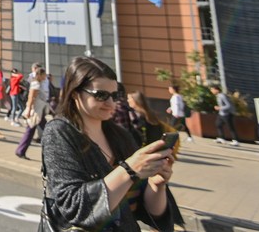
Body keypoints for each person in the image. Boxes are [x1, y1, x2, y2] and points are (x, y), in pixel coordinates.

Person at [40, 56, 177, 231]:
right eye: (101, 95)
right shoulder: (59, 132)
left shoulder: (121, 135)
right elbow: (74, 206)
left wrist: (156, 185)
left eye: (115, 95)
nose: (110, 103)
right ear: (75, 94)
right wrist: (129, 170)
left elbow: (149, 213)